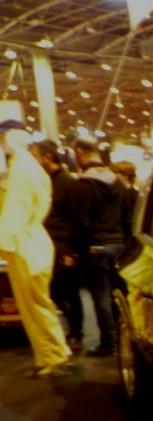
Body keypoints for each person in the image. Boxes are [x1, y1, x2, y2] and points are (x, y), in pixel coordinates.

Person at [0, 120, 72, 376]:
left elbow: (17, 210)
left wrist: (4, 241)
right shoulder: (27, 166)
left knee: (36, 305)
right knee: (37, 305)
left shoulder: (22, 168)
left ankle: (54, 354)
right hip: (30, 241)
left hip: (25, 244)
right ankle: (52, 353)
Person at [66, 136, 128, 356]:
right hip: (119, 244)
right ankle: (124, 338)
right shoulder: (117, 183)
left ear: (79, 152)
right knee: (118, 294)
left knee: (101, 295)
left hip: (96, 247)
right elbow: (126, 216)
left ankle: (109, 343)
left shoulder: (83, 185)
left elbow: (78, 221)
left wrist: (74, 250)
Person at [32, 139, 83, 350]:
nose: (34, 160)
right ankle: (68, 329)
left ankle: (77, 332)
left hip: (64, 246)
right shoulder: (43, 181)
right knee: (53, 291)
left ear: (47, 157)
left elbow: (76, 218)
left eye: (36, 156)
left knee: (70, 292)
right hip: (47, 245)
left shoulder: (68, 182)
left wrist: (72, 251)